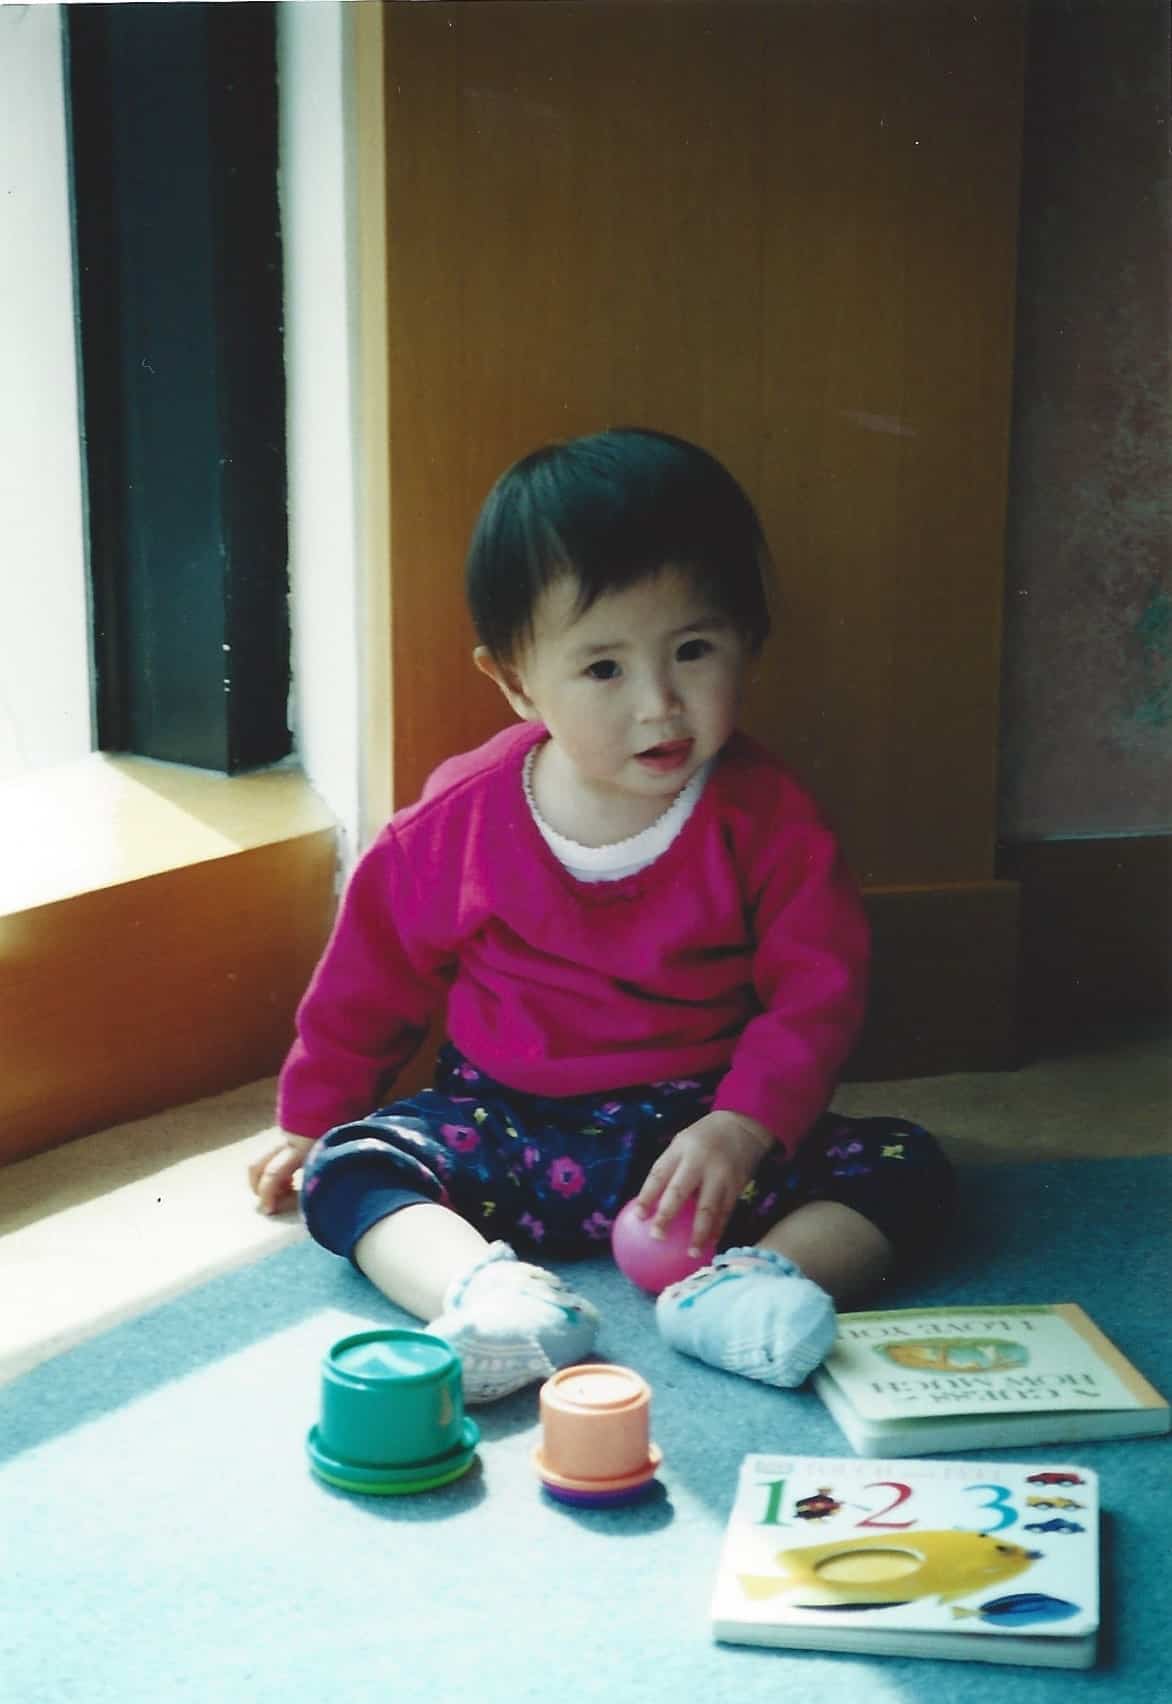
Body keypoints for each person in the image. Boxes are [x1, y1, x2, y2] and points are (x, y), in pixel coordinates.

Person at [249, 427, 953, 1403]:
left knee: (902, 1165)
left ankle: (749, 1288)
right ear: (513, 679)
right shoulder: (459, 819)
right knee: (351, 1170)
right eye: (604, 669)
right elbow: (370, 973)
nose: (660, 705)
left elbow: (816, 991)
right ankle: (488, 1293)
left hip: (698, 1147)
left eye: (692, 650)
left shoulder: (768, 816)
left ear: (747, 637)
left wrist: (743, 1124)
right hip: (504, 1125)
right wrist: (314, 1114)